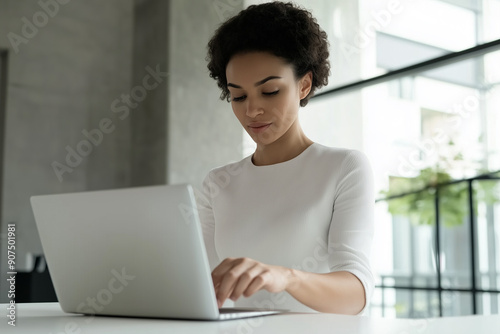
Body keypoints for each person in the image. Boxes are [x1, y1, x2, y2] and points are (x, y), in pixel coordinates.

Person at [197, 1, 374, 315]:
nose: (251, 110)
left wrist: (285, 276)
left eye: (270, 91)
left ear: (303, 85)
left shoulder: (343, 167)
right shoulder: (217, 183)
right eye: (238, 96)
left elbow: (356, 292)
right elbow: (204, 287)